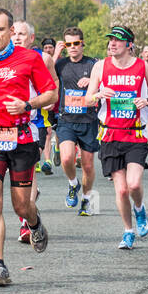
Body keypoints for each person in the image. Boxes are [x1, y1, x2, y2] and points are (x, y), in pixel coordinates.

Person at [0, 8, 56, 287]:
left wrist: (28, 104)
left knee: (21, 206)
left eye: (0, 30)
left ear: (10, 31)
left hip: (21, 138)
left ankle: (35, 222)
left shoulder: (29, 58)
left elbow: (51, 93)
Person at [85, 25, 148, 247]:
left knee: (133, 185)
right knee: (121, 189)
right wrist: (98, 94)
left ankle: (139, 209)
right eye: (110, 40)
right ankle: (128, 231)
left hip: (135, 134)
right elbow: (87, 99)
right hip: (110, 134)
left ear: (129, 44)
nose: (112, 44)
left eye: (118, 40)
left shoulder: (142, 67)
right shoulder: (100, 67)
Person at [11, 19, 59, 241]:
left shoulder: (44, 58)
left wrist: (50, 99)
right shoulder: (3, 57)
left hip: (33, 121)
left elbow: (54, 84)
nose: (17, 37)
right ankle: (30, 202)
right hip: (7, 124)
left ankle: (25, 224)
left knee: (29, 166)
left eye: (22, 34)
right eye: (14, 33)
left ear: (31, 38)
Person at [54, 27, 100, 216]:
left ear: (82, 44)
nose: (72, 47)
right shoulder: (61, 64)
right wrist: (56, 54)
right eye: (68, 44)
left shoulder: (94, 64)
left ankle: (87, 199)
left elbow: (105, 83)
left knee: (88, 166)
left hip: (88, 120)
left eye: (76, 43)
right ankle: (73, 184)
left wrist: (91, 81)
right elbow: (43, 73)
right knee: (66, 158)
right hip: (67, 119)